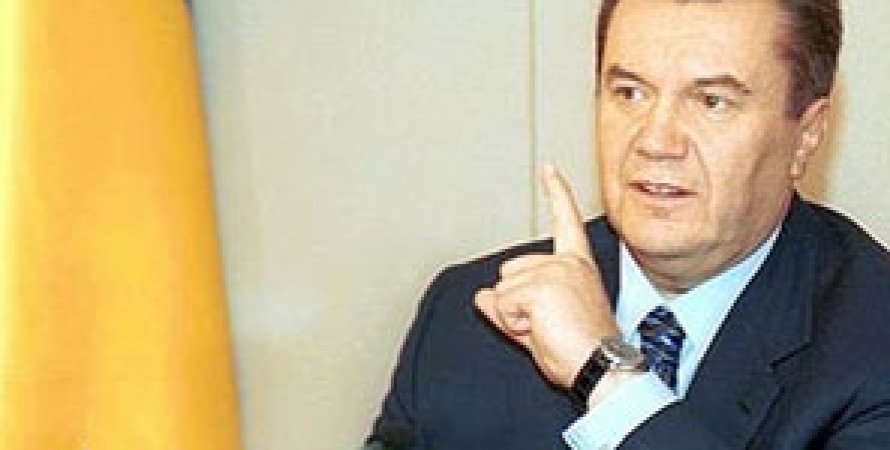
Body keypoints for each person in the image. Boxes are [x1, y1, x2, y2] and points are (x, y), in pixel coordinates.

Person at [368, 0, 890, 448]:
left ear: (807, 134)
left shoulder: (872, 343)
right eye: (630, 93)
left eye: (712, 102)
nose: (656, 141)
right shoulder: (471, 315)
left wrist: (606, 375)